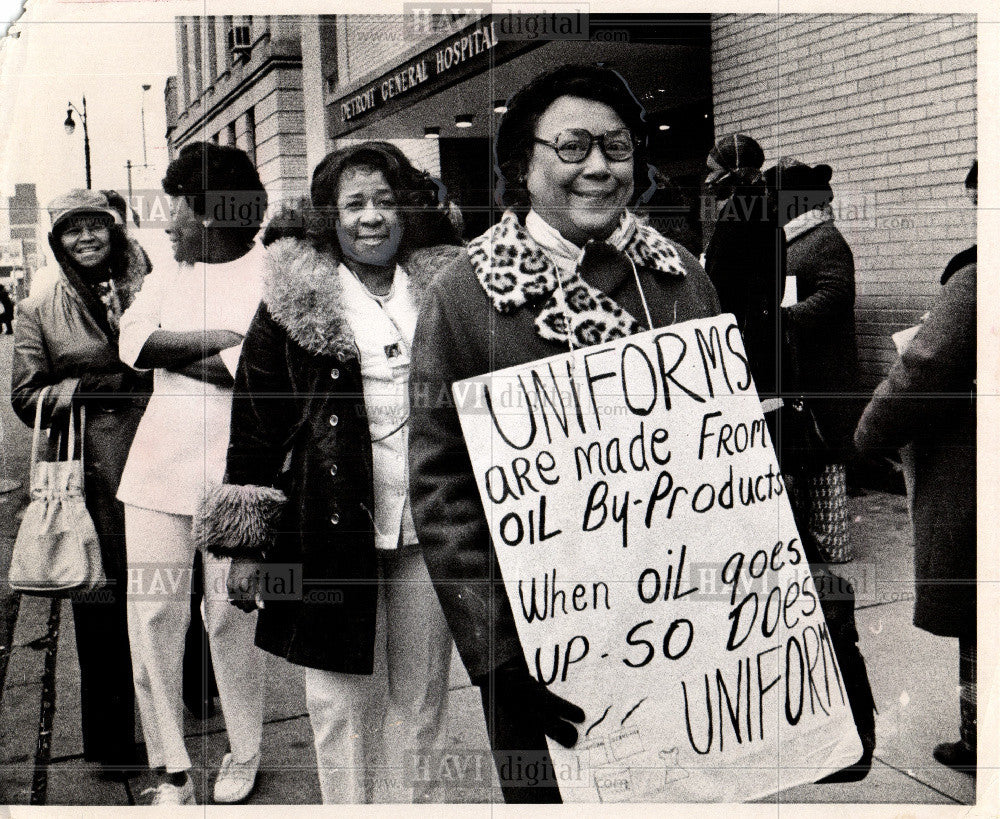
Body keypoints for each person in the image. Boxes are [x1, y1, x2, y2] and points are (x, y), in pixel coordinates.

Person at [407, 64, 721, 803]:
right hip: (549, 645)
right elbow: (441, 486)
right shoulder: (464, 292)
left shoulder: (678, 275)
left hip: (690, 621)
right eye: (573, 146)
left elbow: (735, 444)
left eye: (615, 148)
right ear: (523, 165)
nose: (598, 168)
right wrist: (495, 653)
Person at [196, 142, 461, 803]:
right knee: (341, 705)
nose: (373, 216)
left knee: (424, 700)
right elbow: (255, 426)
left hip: (428, 527)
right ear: (328, 218)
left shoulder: (446, 291)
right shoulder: (292, 305)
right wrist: (247, 547)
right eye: (355, 203)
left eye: (386, 200)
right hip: (326, 534)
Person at [115, 142, 268, 805]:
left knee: (233, 619)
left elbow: (261, 371)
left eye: (173, 207)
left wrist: (178, 352)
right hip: (154, 478)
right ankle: (170, 767)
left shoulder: (273, 272)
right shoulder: (162, 276)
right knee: (152, 617)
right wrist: (225, 340)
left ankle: (246, 749)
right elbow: (133, 345)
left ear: (206, 210)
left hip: (234, 477)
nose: (166, 223)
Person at [11, 188, 151, 778]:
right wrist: (96, 387)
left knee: (175, 589)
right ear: (57, 241)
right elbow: (25, 397)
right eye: (73, 230)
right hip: (89, 474)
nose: (87, 238)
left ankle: (189, 691)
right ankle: (114, 742)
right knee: (101, 598)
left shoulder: (152, 283)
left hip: (161, 449)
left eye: (97, 227)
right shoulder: (38, 305)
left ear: (114, 232)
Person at [855, 160, 977, 772]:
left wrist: (871, 432)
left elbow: (924, 368)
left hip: (978, 474)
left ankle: (981, 732)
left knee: (981, 604)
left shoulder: (980, 279)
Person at [764, 158, 859, 563]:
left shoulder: (825, 239)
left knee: (824, 455)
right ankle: (817, 542)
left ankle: (833, 546)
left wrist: (785, 317)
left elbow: (837, 295)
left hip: (823, 370)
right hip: (804, 365)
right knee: (808, 454)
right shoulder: (799, 238)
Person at [702, 133, 784, 401]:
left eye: (714, 172)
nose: (708, 181)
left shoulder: (742, 215)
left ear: (734, 172)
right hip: (754, 338)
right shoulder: (760, 208)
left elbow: (723, 285)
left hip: (742, 342)